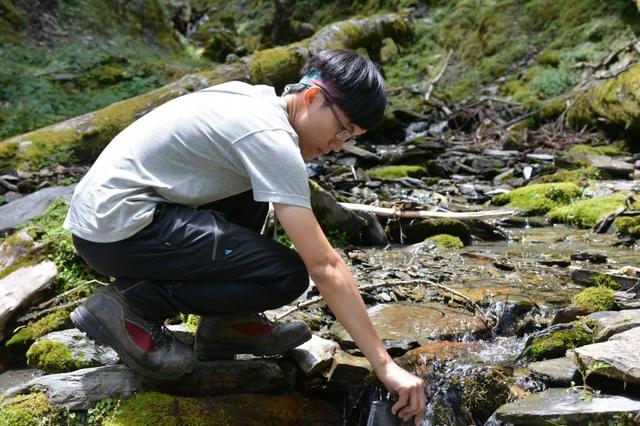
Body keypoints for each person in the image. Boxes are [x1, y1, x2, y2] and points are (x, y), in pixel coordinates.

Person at [64, 49, 425, 424]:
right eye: (343, 130)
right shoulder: (270, 137)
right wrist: (384, 364)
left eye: (351, 138)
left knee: (254, 192)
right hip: (118, 226)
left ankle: (226, 323)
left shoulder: (256, 101)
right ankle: (130, 305)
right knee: (284, 275)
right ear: (313, 97)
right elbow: (324, 266)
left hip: (111, 217)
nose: (338, 145)